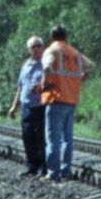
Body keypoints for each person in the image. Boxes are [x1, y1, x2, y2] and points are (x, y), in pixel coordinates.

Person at [39, 26, 93, 180]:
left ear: (51, 37)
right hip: (71, 99)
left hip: (55, 98)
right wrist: (80, 80)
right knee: (67, 139)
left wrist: (44, 81)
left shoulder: (51, 51)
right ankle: (65, 171)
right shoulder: (75, 53)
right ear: (65, 36)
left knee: (53, 139)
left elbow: (47, 66)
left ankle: (53, 173)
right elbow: (90, 66)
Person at [8, 35, 47, 176]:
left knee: (41, 138)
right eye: (33, 47)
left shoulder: (47, 64)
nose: (36, 49)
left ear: (43, 47)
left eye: (38, 46)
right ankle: (31, 166)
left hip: (41, 106)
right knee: (27, 136)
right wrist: (14, 106)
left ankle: (44, 167)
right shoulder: (25, 65)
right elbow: (20, 87)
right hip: (26, 107)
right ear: (29, 49)